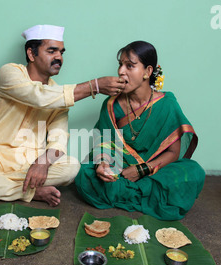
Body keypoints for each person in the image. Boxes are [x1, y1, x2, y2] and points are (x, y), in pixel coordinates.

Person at [0, 25, 125, 206]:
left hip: (30, 162)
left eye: (61, 52)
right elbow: (38, 97)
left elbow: (58, 141)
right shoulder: (10, 73)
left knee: (72, 167)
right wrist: (95, 86)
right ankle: (28, 192)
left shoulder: (60, 94)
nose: (59, 57)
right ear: (31, 54)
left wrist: (43, 163)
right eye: (52, 51)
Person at [74, 41, 205, 220]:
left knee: (193, 172)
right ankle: (148, 196)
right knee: (85, 174)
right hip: (122, 168)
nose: (121, 71)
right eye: (120, 65)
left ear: (147, 71)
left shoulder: (167, 104)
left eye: (130, 66)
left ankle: (130, 192)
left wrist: (142, 170)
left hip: (154, 170)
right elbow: (104, 142)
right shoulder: (112, 105)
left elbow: (174, 153)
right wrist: (102, 165)